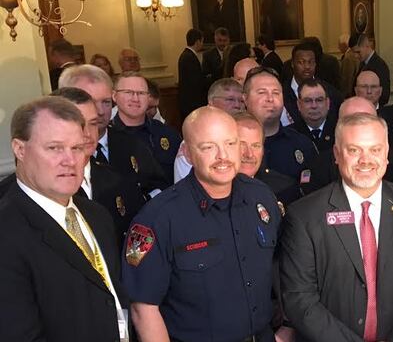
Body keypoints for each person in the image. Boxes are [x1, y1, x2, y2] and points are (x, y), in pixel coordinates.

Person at [121, 106, 282, 341]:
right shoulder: (157, 218)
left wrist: (287, 327)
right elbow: (143, 309)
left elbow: (281, 265)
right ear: (187, 153)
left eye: (230, 144)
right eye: (208, 147)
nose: (223, 156)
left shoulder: (262, 196)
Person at [279, 112, 393, 341]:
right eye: (354, 150)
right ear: (336, 154)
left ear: (386, 154)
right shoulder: (304, 215)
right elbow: (300, 299)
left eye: (375, 150)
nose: (366, 160)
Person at [0, 97, 129, 341]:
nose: (69, 160)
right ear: (20, 149)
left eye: (77, 148)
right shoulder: (6, 232)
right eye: (54, 148)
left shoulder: (97, 215)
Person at [52, 87, 147, 246]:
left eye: (93, 123)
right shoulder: (37, 187)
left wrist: (132, 267)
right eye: (79, 125)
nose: (88, 134)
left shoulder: (117, 180)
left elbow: (144, 234)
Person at [59, 64, 169, 195]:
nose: (100, 111)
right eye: (90, 102)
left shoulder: (131, 144)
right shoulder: (58, 158)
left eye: (106, 102)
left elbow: (157, 186)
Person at [244, 67, 317, 184]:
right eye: (262, 92)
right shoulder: (231, 145)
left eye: (276, 93)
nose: (270, 98)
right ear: (245, 99)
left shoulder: (302, 144)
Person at [112, 72, 182, 185]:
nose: (135, 98)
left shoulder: (168, 134)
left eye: (141, 93)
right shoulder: (105, 138)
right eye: (128, 92)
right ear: (114, 96)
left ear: (148, 97)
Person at [300, 96, 377, 195]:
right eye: (350, 122)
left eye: (366, 121)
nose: (359, 128)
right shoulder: (317, 166)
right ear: (338, 125)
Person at [283, 42, 342, 125]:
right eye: (301, 62)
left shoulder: (330, 92)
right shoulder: (281, 93)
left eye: (311, 62)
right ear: (292, 64)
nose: (307, 66)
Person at [292, 78, 336, 152]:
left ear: (328, 103)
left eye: (319, 100)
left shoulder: (339, 132)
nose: (314, 106)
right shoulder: (290, 135)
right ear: (299, 105)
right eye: (308, 101)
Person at [178, 28, 210, 119]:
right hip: (192, 103)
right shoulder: (189, 57)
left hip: (188, 102)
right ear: (197, 41)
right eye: (202, 41)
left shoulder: (186, 55)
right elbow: (195, 82)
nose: (202, 44)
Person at [352, 32, 391, 106]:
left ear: (367, 46)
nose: (355, 56)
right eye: (353, 52)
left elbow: (384, 96)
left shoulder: (380, 65)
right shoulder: (363, 64)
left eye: (358, 52)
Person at [338, 33, 359, 97]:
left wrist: (345, 96)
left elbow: (347, 79)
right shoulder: (354, 54)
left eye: (339, 45)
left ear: (344, 45)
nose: (338, 48)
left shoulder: (348, 58)